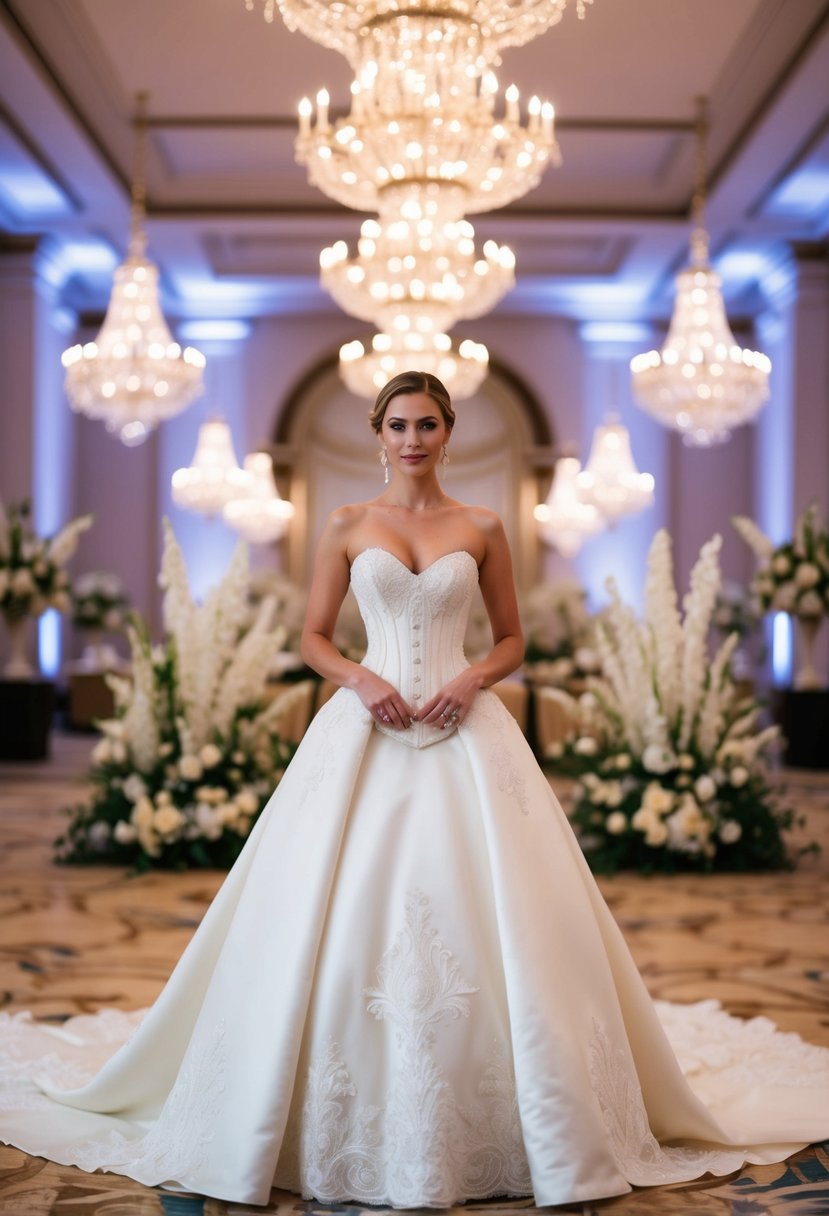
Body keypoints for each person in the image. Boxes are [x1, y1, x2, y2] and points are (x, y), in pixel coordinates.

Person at [0, 370, 827, 1209]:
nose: (412, 439)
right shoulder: (347, 523)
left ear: (447, 430)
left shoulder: (483, 525)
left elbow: (511, 639)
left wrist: (472, 682)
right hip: (368, 726)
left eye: (427, 424)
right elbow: (313, 636)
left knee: (503, 911)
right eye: (397, 425)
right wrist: (361, 681)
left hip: (466, 729)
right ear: (378, 432)